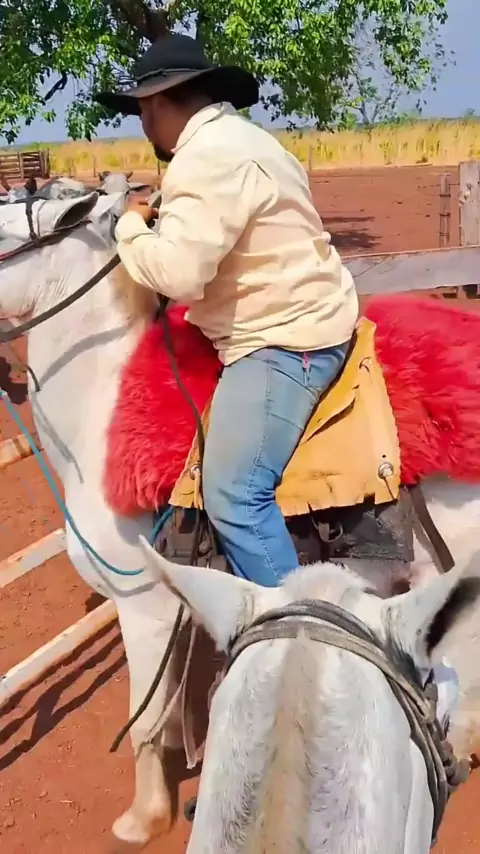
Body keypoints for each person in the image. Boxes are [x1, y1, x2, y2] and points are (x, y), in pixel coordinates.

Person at [95, 33, 359, 588]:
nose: (143, 126)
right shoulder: (250, 141)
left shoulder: (204, 159)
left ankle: (296, 626)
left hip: (284, 339)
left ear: (159, 102)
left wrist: (130, 228)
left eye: (142, 112)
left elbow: (180, 275)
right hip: (311, 312)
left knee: (234, 494)